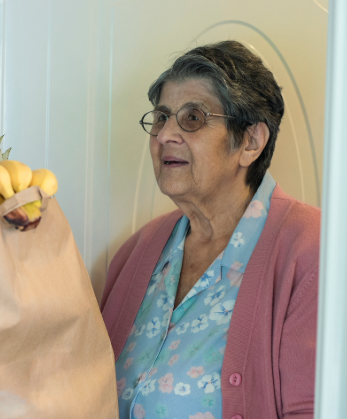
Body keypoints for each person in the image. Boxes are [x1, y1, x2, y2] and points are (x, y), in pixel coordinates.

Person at [100, 41, 319, 419]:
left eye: (193, 118)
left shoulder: (311, 252)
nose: (166, 134)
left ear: (250, 142)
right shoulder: (137, 252)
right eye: (162, 117)